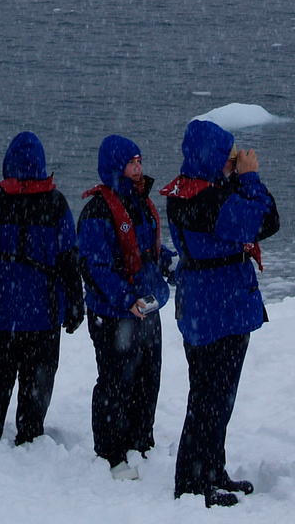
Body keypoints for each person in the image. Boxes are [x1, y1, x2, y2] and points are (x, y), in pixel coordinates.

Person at [163, 120, 280, 508]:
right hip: (219, 306)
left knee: (213, 397)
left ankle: (211, 470)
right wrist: (250, 178)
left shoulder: (186, 190)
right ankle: (193, 483)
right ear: (213, 160)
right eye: (229, 157)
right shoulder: (207, 202)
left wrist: (232, 176)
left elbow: (237, 212)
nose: (235, 162)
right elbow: (265, 220)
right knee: (209, 399)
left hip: (203, 303)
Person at [0, 131, 85, 450]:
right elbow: (68, 259)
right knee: (39, 378)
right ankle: (30, 435)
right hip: (43, 313)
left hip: (2, 310)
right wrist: (75, 303)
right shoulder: (56, 203)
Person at [77, 134, 173, 480]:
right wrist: (124, 299)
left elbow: (148, 251)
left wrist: (170, 265)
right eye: (133, 162)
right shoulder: (97, 211)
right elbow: (94, 266)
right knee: (116, 382)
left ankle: (140, 442)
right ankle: (110, 454)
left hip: (147, 306)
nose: (139, 168)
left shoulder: (141, 202)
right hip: (114, 314)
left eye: (140, 161)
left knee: (148, 379)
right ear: (118, 166)